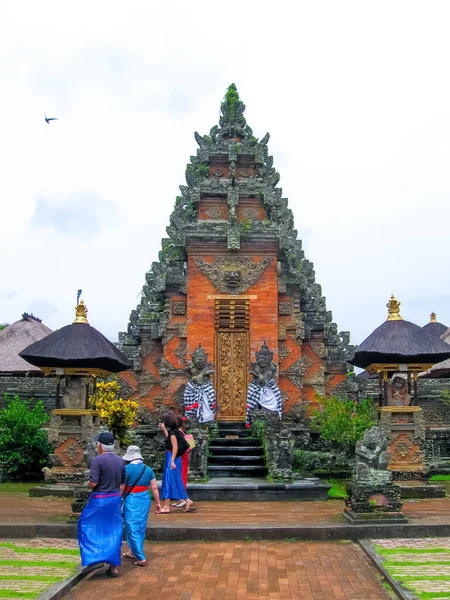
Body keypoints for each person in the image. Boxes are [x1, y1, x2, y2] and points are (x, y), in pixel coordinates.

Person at [77, 431, 125, 578]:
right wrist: (117, 497)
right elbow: (123, 484)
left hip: (100, 499)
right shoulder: (120, 460)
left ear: (99, 446)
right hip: (115, 499)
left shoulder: (97, 460)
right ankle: (114, 567)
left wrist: (87, 483)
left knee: (86, 525)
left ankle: (95, 557)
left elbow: (94, 483)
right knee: (114, 530)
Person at [122, 445, 161, 567]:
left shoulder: (126, 469)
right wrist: (158, 503)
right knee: (140, 525)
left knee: (131, 525)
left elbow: (122, 487)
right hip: (144, 499)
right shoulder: (148, 469)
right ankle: (133, 551)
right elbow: (154, 488)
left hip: (131, 498)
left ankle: (140, 556)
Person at [158, 411, 195, 514]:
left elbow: (175, 447)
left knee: (168, 480)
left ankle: (166, 506)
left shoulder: (173, 433)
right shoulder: (175, 432)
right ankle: (186, 500)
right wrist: (164, 430)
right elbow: (170, 440)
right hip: (175, 458)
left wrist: (172, 460)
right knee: (176, 480)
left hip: (172, 457)